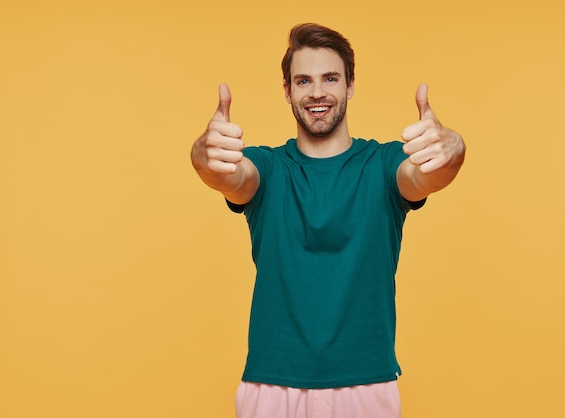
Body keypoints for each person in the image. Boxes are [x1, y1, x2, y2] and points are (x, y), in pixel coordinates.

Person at [191, 23, 466, 418]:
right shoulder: (268, 167)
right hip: (272, 386)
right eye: (303, 80)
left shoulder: (384, 164)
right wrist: (204, 155)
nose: (317, 92)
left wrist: (451, 151)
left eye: (330, 78)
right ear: (287, 91)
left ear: (350, 84)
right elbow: (231, 176)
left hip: (366, 384)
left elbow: (424, 176)